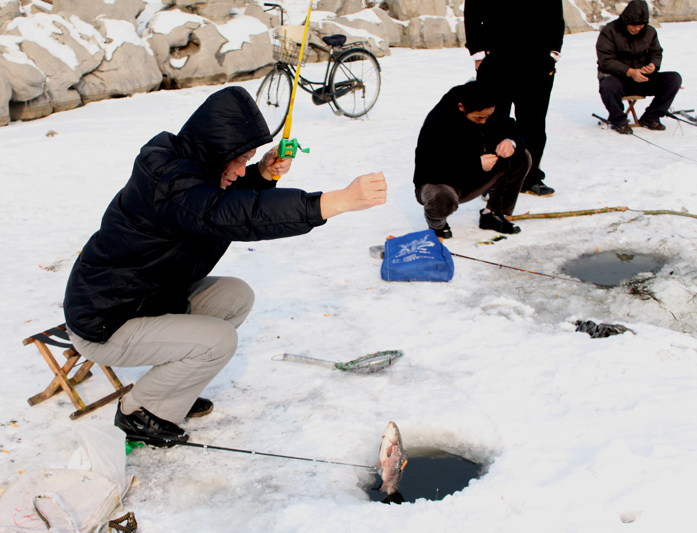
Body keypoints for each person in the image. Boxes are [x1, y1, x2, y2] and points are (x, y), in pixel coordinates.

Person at [63, 87, 386, 446]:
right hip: (106, 322)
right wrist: (335, 202)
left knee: (235, 296)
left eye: (248, 158)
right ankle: (139, 412)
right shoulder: (169, 184)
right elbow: (232, 214)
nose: (242, 168)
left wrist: (262, 175)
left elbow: (213, 201)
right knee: (218, 341)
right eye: (239, 159)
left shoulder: (186, 166)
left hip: (149, 299)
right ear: (215, 151)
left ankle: (172, 392)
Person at [464, 0, 564, 197]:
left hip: (537, 59)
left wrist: (553, 51)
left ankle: (530, 176)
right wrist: (478, 53)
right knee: (493, 119)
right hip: (497, 56)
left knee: (534, 122)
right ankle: (493, 178)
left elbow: (555, 14)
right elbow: (473, 11)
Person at [413, 81, 531, 239]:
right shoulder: (438, 122)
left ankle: (493, 214)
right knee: (441, 197)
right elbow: (433, 167)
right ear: (461, 107)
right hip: (440, 181)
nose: (484, 121)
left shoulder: (486, 106)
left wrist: (510, 141)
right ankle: (437, 225)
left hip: (475, 173)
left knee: (521, 156)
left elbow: (513, 127)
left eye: (488, 117)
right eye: (480, 118)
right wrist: (476, 163)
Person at [596, 0, 682, 134]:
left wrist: (653, 65)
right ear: (625, 21)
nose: (637, 28)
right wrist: (630, 72)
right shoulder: (609, 32)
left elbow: (656, 53)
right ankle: (618, 120)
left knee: (674, 79)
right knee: (608, 85)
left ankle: (651, 116)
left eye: (641, 25)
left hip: (643, 78)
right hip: (618, 79)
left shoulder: (650, 32)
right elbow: (605, 61)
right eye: (634, 25)